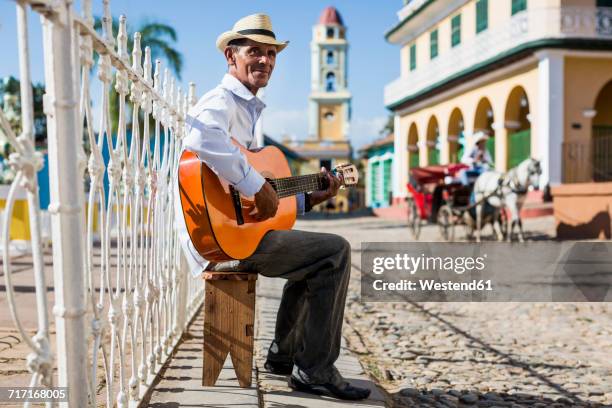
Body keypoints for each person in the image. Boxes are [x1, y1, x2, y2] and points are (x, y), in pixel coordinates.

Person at [174, 14, 371, 401]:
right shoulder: (221, 101)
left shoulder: (249, 109)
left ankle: (284, 355)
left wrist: (309, 196)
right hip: (216, 239)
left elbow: (264, 197)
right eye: (254, 52)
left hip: (233, 233)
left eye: (270, 54)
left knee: (311, 255)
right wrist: (252, 183)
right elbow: (199, 137)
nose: (264, 61)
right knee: (334, 253)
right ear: (231, 56)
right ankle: (314, 370)